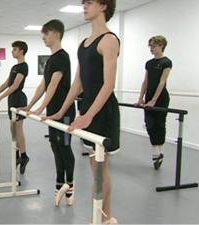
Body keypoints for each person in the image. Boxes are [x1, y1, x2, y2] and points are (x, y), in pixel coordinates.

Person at [47, 0, 119, 223]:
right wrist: (61, 111)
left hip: (103, 110)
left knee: (100, 166)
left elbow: (109, 84)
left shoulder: (109, 40)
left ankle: (102, 217)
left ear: (104, 6)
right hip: (87, 107)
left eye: (89, 2)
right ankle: (104, 217)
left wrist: (89, 115)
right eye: (83, 3)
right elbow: (77, 84)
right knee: (94, 165)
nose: (84, 6)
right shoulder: (84, 44)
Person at [21, 19, 76, 206]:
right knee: (56, 147)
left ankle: (70, 186)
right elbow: (43, 84)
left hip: (65, 111)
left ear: (56, 34)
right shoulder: (51, 59)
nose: (43, 37)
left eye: (46, 33)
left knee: (65, 147)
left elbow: (53, 85)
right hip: (53, 112)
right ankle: (59, 184)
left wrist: (40, 108)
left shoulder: (62, 57)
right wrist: (30, 106)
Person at [0, 41, 30, 174]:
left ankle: (24, 156)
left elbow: (15, 86)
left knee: (18, 129)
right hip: (12, 99)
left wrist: (0, 98)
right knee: (12, 129)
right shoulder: (14, 67)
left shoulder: (24, 66)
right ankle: (17, 154)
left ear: (21, 51)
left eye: (15, 49)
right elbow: (7, 83)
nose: (12, 52)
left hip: (19, 99)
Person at [135, 35, 172, 170]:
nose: (151, 48)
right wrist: (141, 98)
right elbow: (146, 81)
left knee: (159, 124)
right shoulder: (149, 63)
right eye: (150, 46)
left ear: (161, 45)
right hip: (150, 95)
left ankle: (157, 153)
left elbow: (162, 82)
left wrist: (154, 100)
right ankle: (157, 153)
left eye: (153, 46)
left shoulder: (166, 62)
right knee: (149, 124)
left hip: (161, 98)